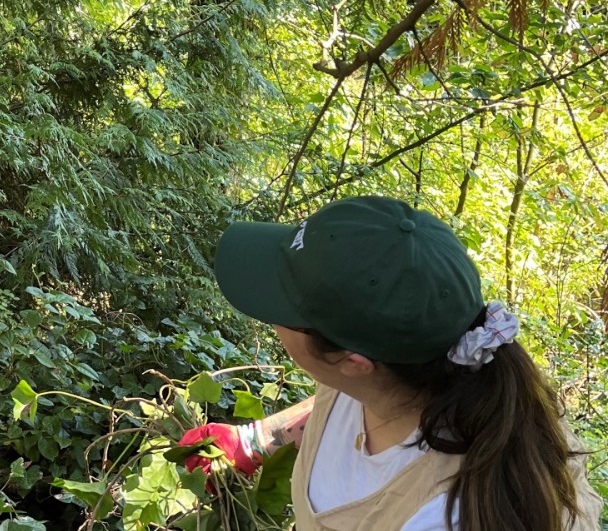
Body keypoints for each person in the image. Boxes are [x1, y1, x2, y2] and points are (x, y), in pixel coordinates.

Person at [186, 196, 602, 530]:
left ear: (354, 361)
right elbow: (355, 400)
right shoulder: (415, 364)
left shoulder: (446, 514)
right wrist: (260, 439)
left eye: (283, 307)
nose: (271, 317)